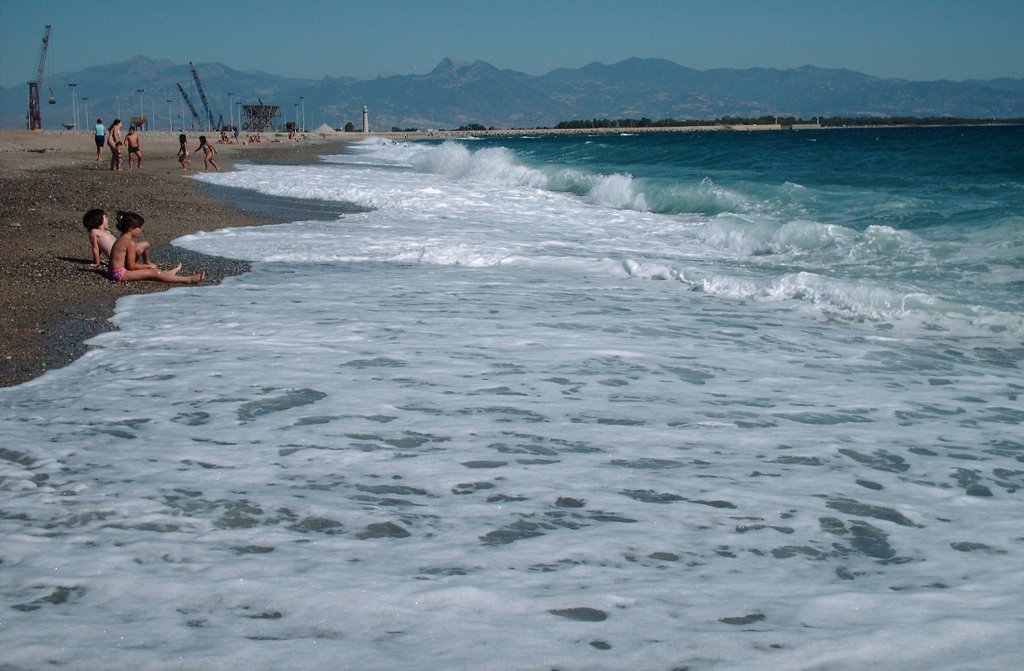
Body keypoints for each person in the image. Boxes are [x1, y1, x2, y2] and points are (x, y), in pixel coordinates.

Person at [107, 211, 204, 284]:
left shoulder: (122, 238)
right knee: (155, 273)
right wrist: (148, 266)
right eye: (139, 227)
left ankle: (167, 274)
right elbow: (131, 267)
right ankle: (188, 279)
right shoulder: (129, 242)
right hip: (118, 274)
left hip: (114, 271)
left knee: (152, 270)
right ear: (131, 228)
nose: (141, 230)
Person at [82, 208, 151, 268]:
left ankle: (144, 262)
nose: (108, 219)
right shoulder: (94, 232)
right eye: (105, 217)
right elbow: (95, 248)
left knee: (145, 245)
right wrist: (97, 262)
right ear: (98, 220)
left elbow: (99, 247)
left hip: (123, 254)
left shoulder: (106, 232)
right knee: (144, 245)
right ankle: (135, 264)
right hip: (120, 258)